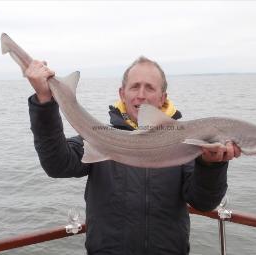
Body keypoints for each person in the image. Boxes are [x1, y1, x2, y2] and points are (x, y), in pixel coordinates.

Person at [26, 56, 241, 255]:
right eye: (135, 87)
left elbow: (203, 202)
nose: (141, 94)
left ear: (163, 97)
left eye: (150, 88)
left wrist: (212, 166)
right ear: (122, 93)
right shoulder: (100, 138)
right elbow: (56, 164)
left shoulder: (185, 143)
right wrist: (45, 102)